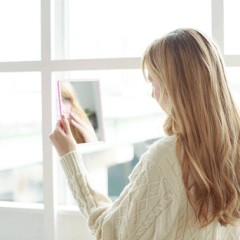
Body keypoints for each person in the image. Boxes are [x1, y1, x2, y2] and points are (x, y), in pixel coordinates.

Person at [49, 28, 240, 239]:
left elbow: (109, 232)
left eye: (154, 83)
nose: (153, 94)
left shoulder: (166, 158)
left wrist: (70, 157)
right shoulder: (233, 148)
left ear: (175, 86)